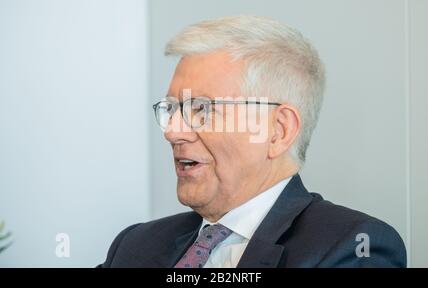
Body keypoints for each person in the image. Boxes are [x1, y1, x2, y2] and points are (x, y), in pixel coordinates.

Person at [99, 16, 406, 268]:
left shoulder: (354, 246)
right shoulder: (135, 245)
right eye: (172, 109)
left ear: (278, 130)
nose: (173, 132)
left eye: (201, 109)